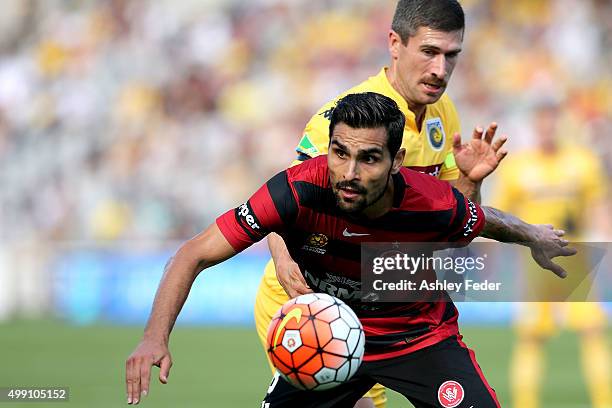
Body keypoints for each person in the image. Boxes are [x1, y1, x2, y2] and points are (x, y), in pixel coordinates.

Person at [126, 93, 575, 406]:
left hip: (416, 336)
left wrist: (533, 234)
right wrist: (153, 337)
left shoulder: (432, 201)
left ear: (397, 162)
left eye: (369, 159)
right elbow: (194, 253)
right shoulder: (296, 190)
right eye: (339, 153)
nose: (349, 171)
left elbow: (486, 220)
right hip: (328, 338)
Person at [255, 2, 507, 405]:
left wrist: (470, 183)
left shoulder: (444, 113)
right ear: (395, 43)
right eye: (429, 52)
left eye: (451, 55)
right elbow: (289, 203)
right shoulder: (351, 116)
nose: (440, 69)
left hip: (380, 295)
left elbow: (446, 220)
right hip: (314, 300)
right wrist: (292, 276)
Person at [494, 100, 611, 408]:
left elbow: (599, 207)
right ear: (534, 125)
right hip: (536, 267)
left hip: (577, 261)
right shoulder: (519, 167)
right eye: (541, 120)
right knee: (531, 338)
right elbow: (501, 214)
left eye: (551, 120)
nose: (547, 127)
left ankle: (605, 402)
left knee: (593, 333)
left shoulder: (582, 161)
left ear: (559, 123)